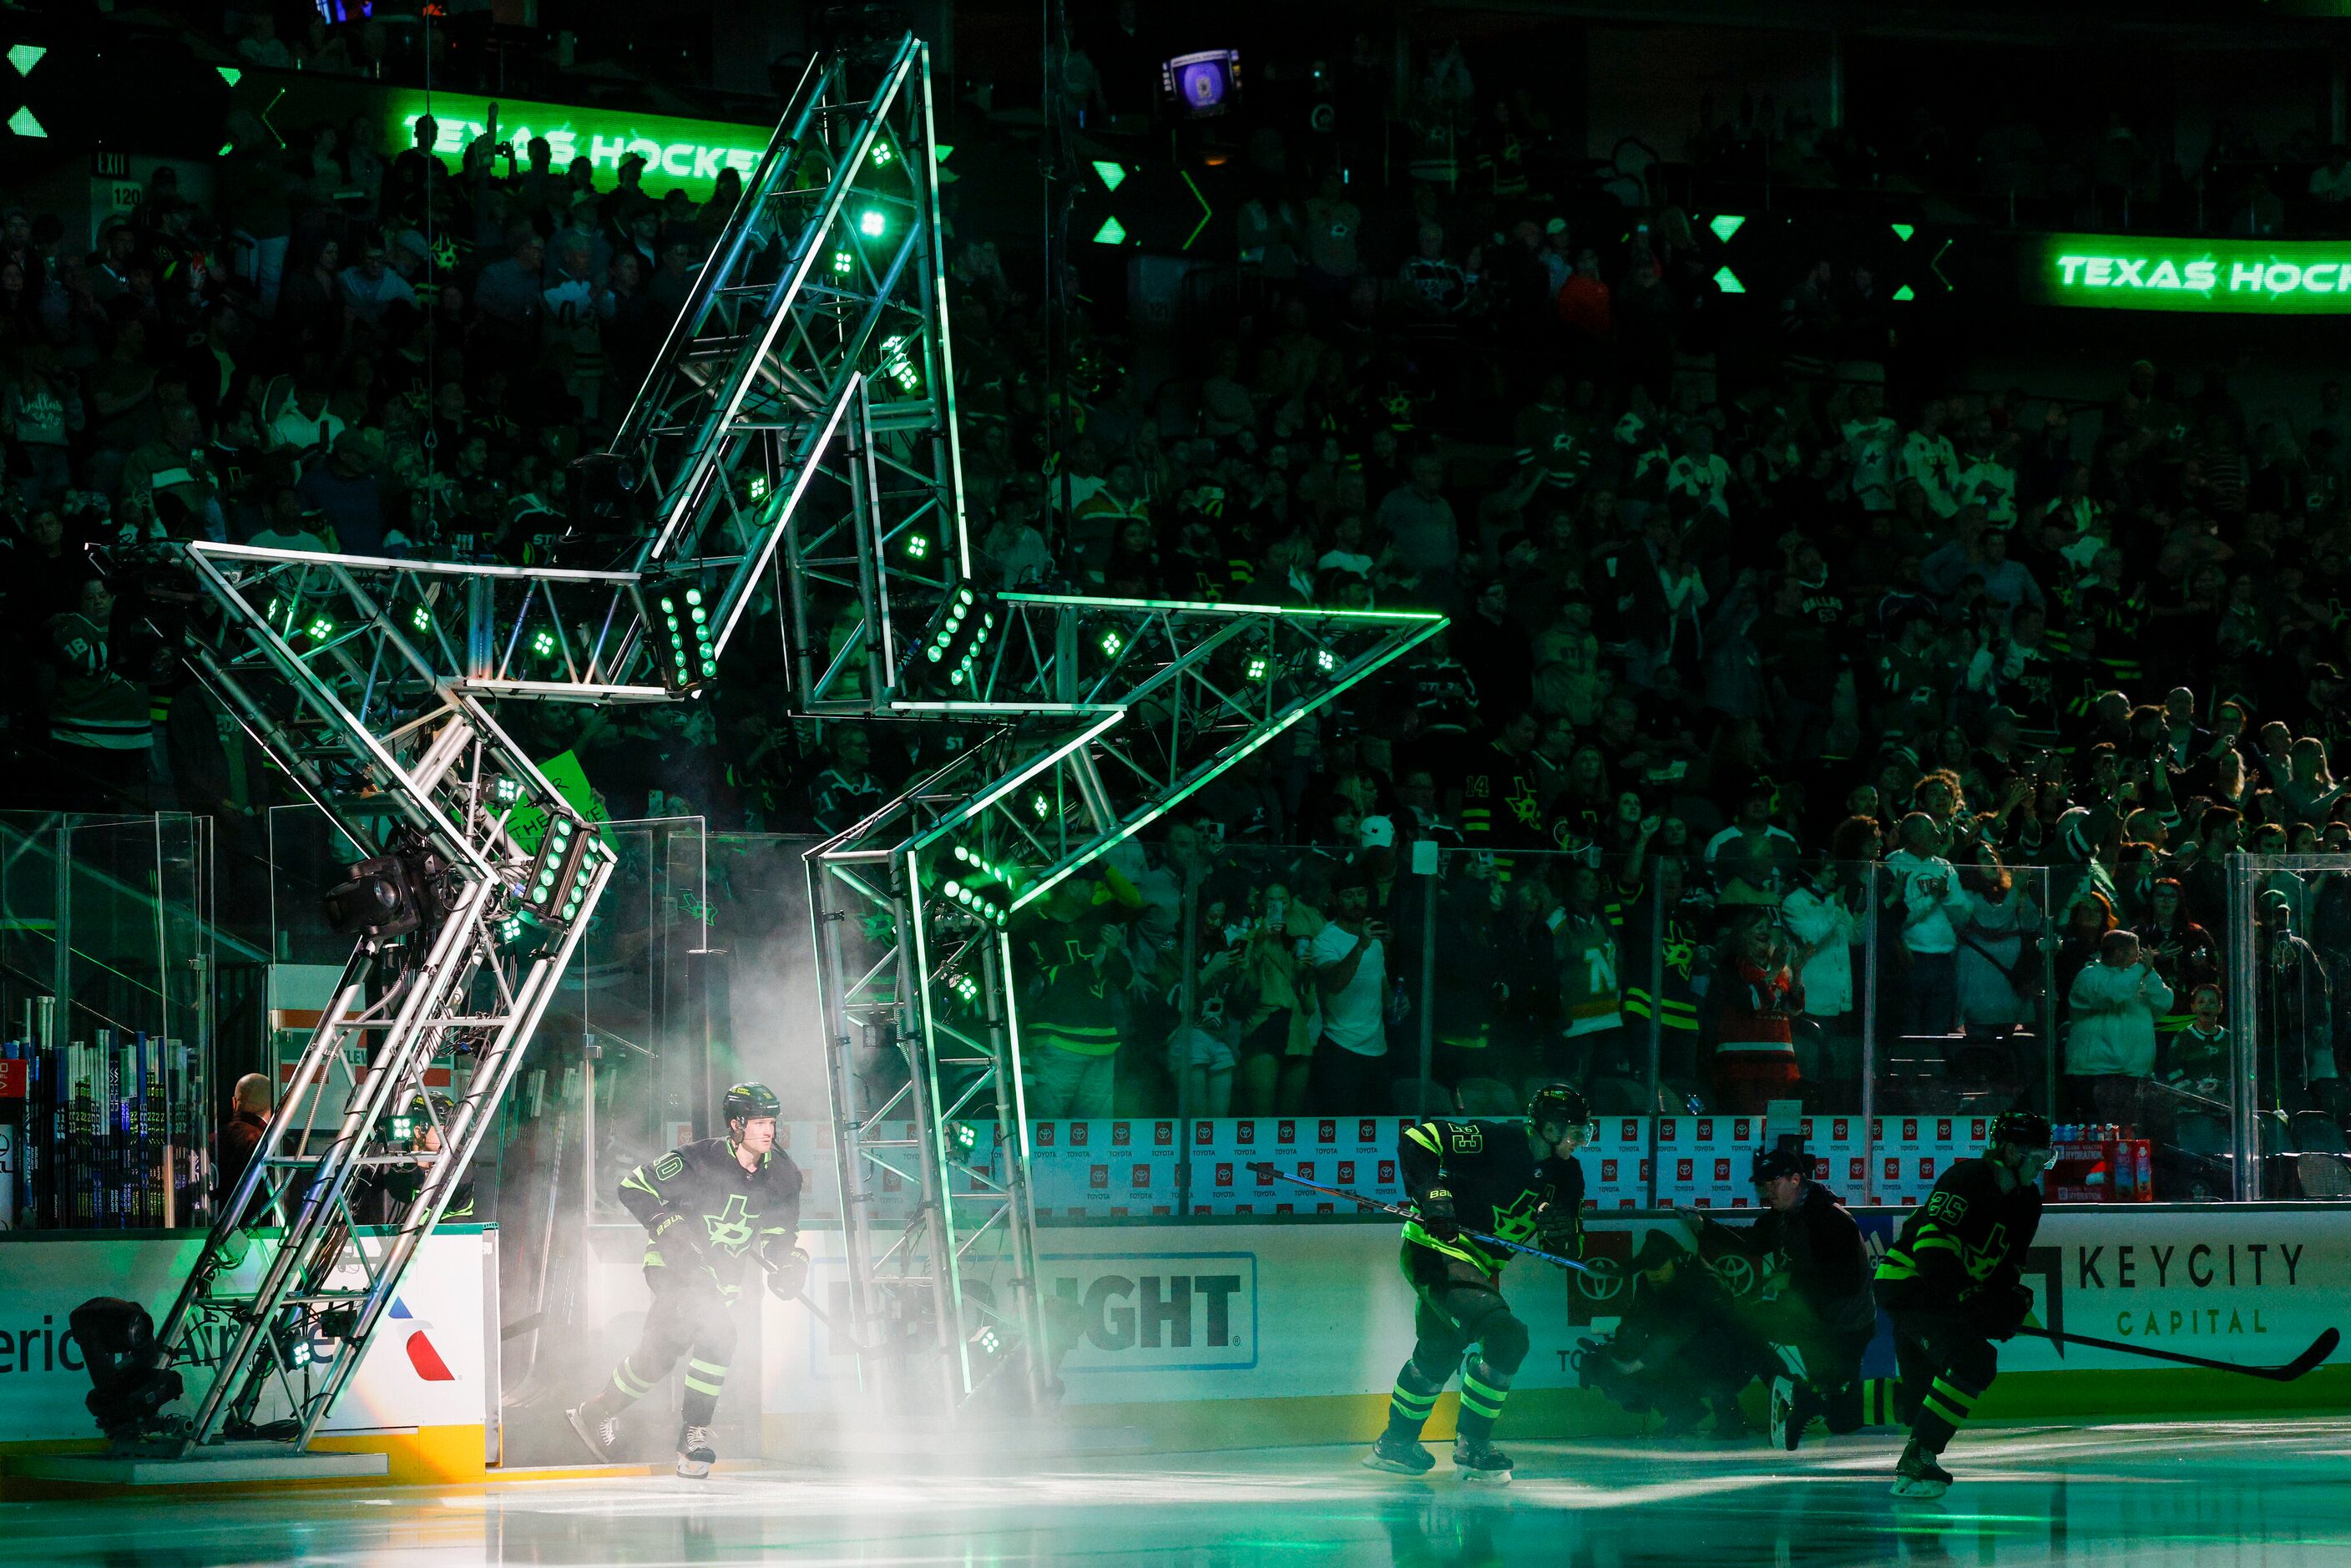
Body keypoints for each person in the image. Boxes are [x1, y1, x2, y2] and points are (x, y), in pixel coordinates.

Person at [569, 1083, 805, 1478]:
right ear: (736, 1123)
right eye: (760, 1122)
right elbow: (634, 1187)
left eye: (772, 1123)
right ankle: (693, 1438)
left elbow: (782, 1235)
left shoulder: (783, 1175)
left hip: (719, 1279)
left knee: (658, 1357)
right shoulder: (696, 1159)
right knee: (720, 1333)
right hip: (674, 1267)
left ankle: (595, 1412)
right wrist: (669, 1226)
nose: (769, 1131)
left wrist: (790, 1267)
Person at [1364, 1084, 1590, 1484]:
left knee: (1438, 1353)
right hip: (1435, 1250)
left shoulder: (1568, 1175)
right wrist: (1433, 1196)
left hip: (1478, 1266)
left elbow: (1572, 1248)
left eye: (1582, 1133)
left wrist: (1562, 1236)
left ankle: (1395, 1444)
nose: (1577, 1141)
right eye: (1571, 1131)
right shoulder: (1497, 1139)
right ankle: (1473, 1445)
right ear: (1547, 1127)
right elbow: (1419, 1139)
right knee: (1507, 1336)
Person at [1874, 1109, 2052, 1499]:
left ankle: (1813, 1398)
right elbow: (1931, 1252)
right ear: (2009, 1150)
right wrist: (1970, 1301)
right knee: (1973, 1360)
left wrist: (2001, 1306)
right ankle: (1920, 1457)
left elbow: (2009, 1265)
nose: (2041, 1167)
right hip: (1911, 1286)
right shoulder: (1967, 1179)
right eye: (2037, 1157)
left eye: (2046, 1159)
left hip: (1945, 1295)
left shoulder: (2028, 1201)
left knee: (1919, 1401)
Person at [1677, 1141, 1874, 1451]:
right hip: (1811, 1317)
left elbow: (1846, 1283)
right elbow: (1754, 1241)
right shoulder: (1783, 1215)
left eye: (1773, 1184)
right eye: (1764, 1185)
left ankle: (1809, 1398)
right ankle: (1788, 1398)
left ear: (1795, 1180)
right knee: (1743, 1325)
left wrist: (1792, 1279)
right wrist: (1705, 1227)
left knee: (1842, 1418)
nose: (1767, 1191)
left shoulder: (1832, 1220)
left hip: (1843, 1328)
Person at [211, 1071, 273, 1218]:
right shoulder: (271, 1144)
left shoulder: (212, 1138)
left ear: (234, 1103)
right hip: (258, 1229)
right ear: (273, 1104)